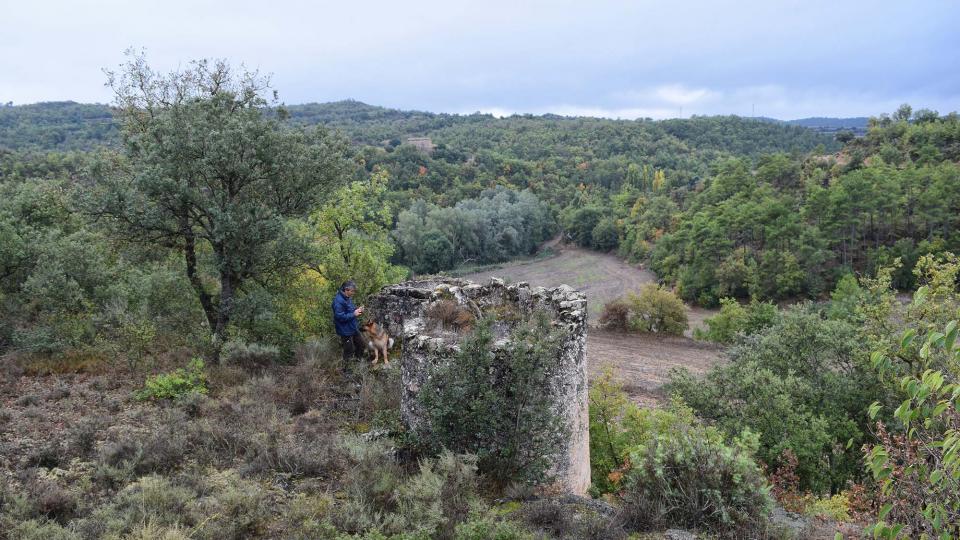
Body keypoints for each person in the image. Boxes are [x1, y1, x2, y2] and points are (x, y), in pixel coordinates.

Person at [332, 280, 365, 362]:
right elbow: (339, 317)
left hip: (352, 327)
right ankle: (347, 372)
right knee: (349, 350)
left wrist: (358, 310)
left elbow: (350, 310)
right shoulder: (338, 301)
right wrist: (354, 314)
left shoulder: (347, 298)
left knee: (361, 344)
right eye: (352, 291)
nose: (353, 293)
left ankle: (358, 361)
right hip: (345, 330)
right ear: (346, 290)